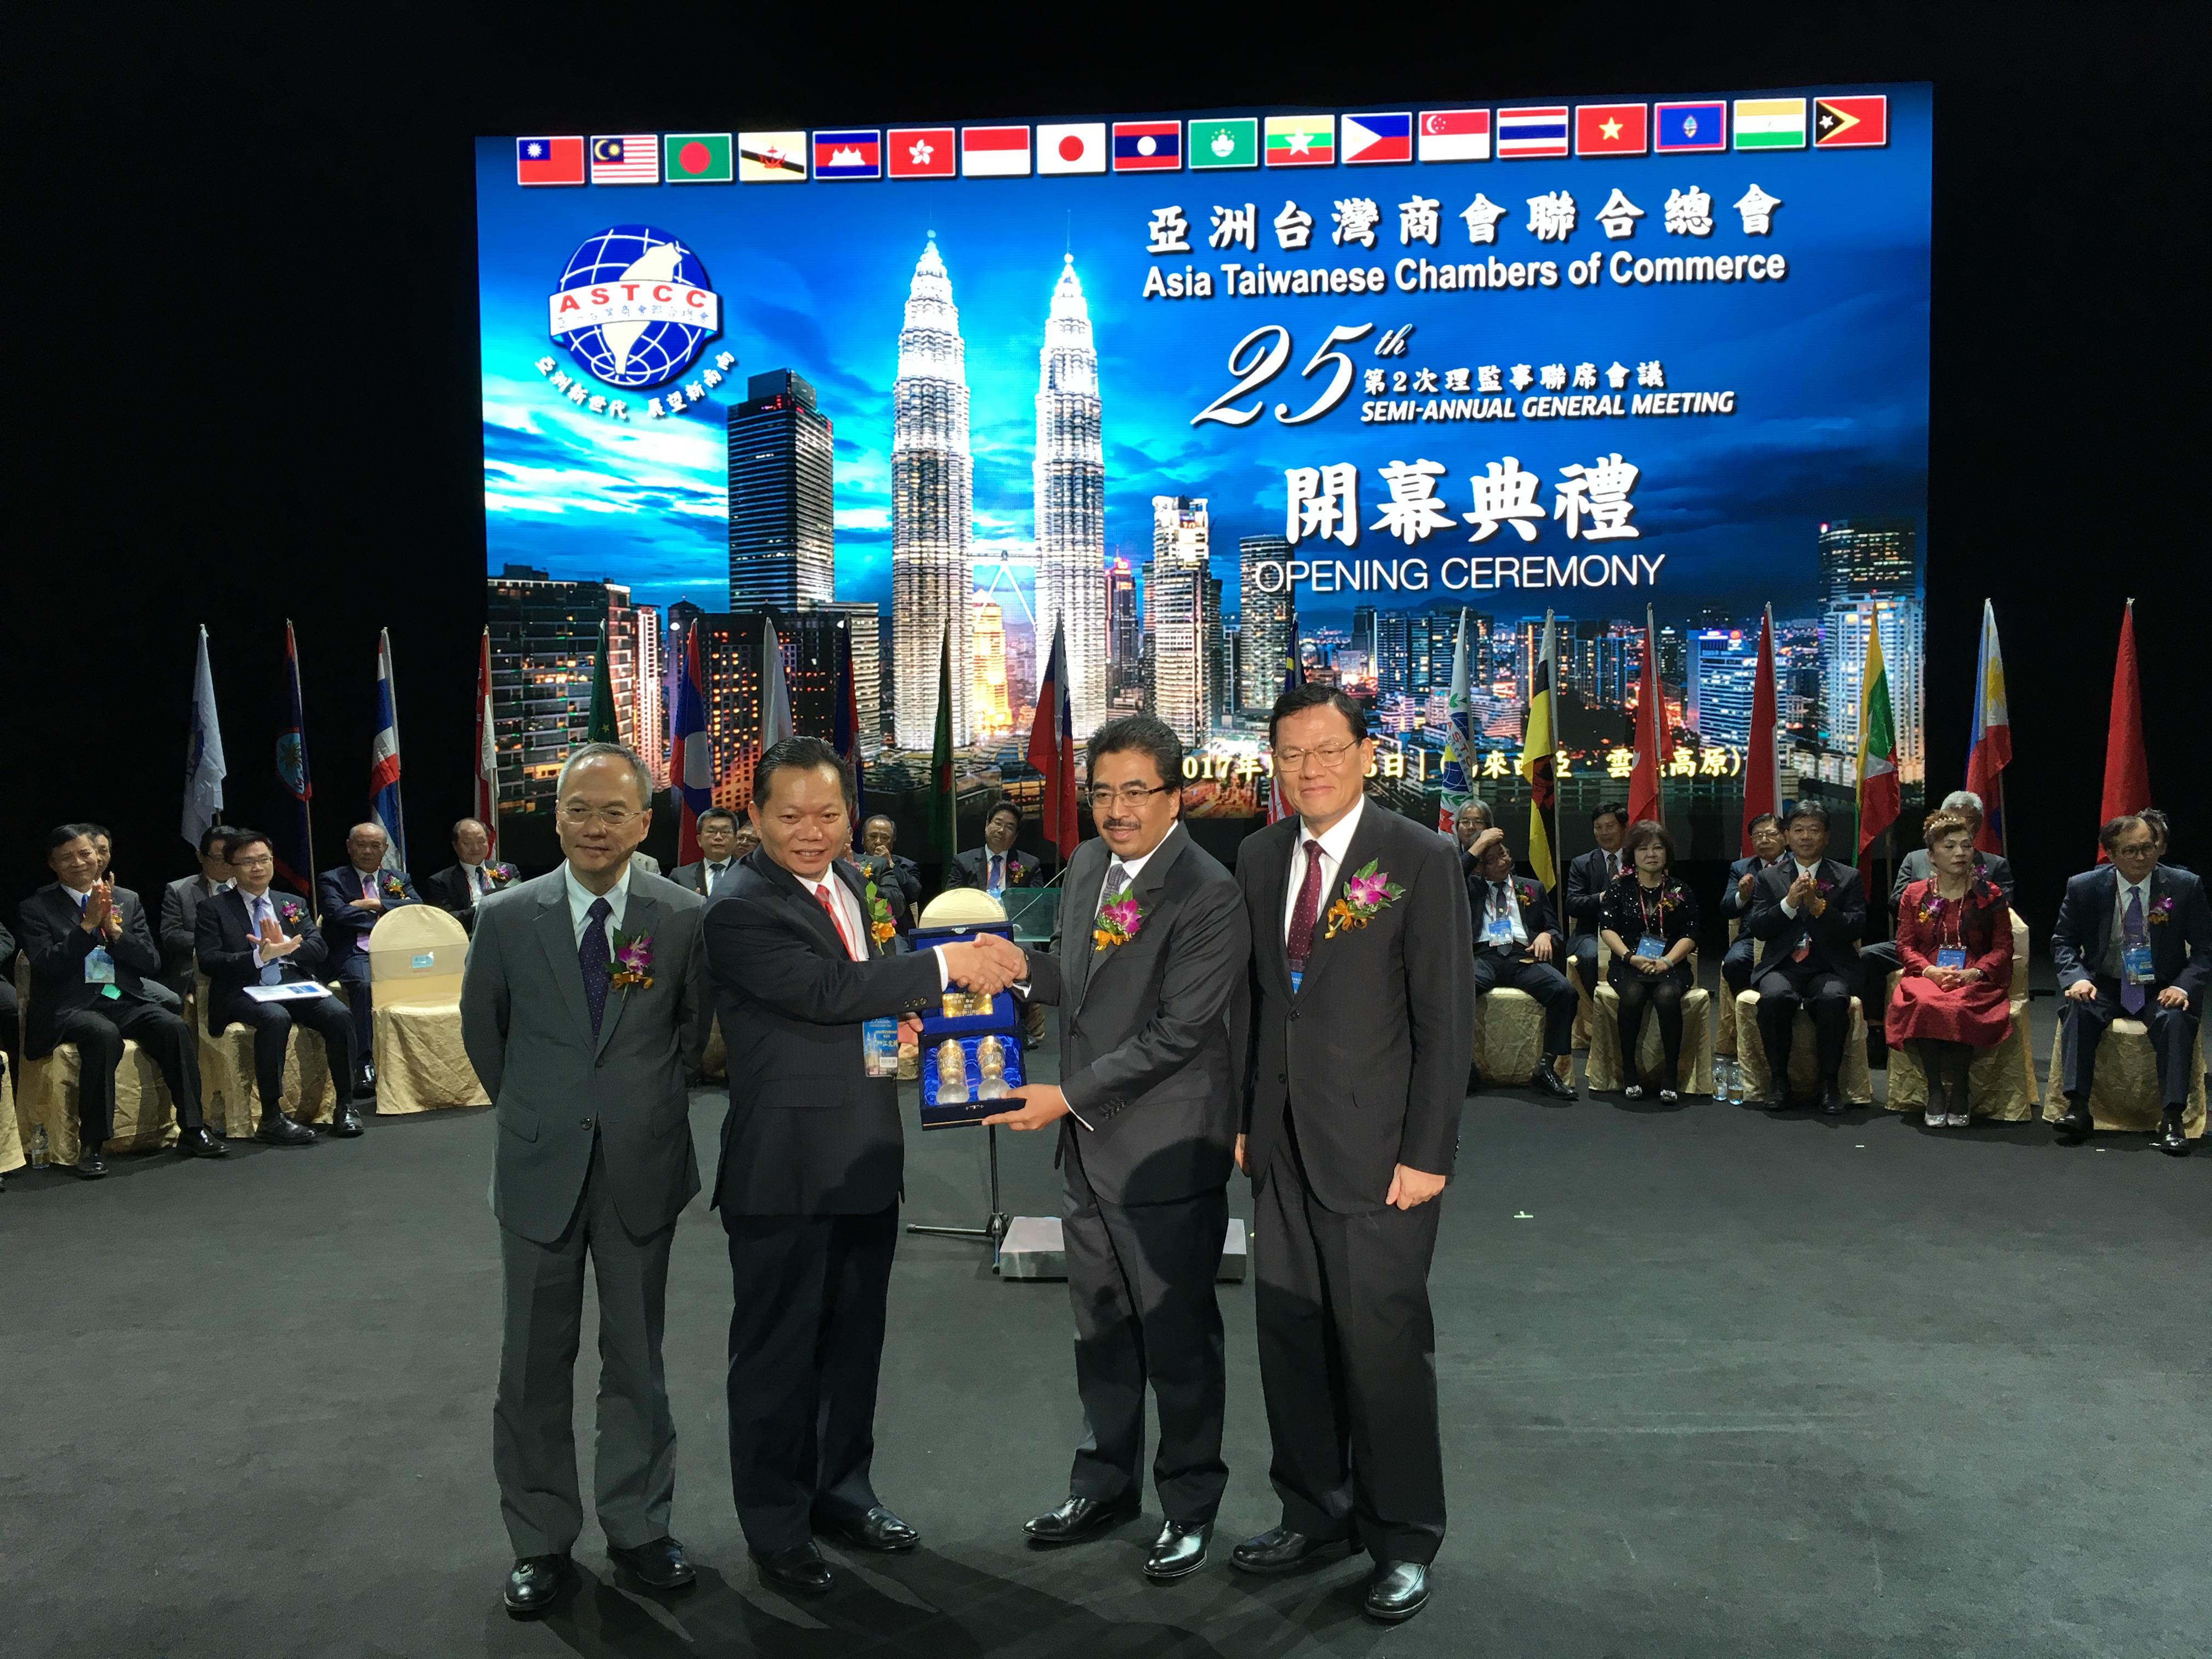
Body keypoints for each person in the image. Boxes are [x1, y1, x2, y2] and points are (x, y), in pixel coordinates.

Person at [705, 735, 1024, 1596]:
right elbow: (825, 994)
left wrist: (911, 1030)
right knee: (777, 1359)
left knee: (852, 1347)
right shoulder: (740, 907)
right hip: (785, 1170)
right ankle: (776, 1526)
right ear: (757, 819)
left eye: (828, 813)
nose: (812, 831)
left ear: (851, 816)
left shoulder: (851, 882)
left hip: (863, 1158)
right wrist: (946, 966)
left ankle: (843, 1494)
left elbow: (863, 999)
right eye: (790, 815)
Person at [978, 715, 1246, 1583]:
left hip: (1165, 1151)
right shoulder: (1090, 865)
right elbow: (1081, 985)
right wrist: (1017, 966)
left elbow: (1177, 1034)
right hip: (1087, 1154)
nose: (1118, 809)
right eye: (1103, 792)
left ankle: (1191, 1504)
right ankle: (1104, 1488)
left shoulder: (1210, 892)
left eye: (1138, 791)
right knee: (1100, 1332)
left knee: (1178, 1342)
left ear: (1179, 796)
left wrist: (1064, 1095)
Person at [1231, 685, 1471, 1626]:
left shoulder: (1419, 855)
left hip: (1382, 1156)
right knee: (1290, 1337)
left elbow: (1444, 1021)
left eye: (1328, 749)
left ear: (1367, 753)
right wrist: (1249, 1116)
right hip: (1280, 1146)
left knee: (1382, 1350)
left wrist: (1426, 1150)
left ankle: (1403, 1535)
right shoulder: (1256, 854)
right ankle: (1312, 1510)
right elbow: (1256, 1004)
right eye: (1291, 754)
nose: (1310, 769)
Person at [458, 741, 713, 1617]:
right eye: (578, 810)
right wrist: (541, 1112)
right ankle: (539, 1541)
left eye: (614, 812)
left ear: (646, 822)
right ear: (555, 817)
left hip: (642, 1164)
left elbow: (691, 1033)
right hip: (539, 1165)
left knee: (638, 1359)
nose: (594, 827)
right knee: (530, 1364)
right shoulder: (506, 916)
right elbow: (485, 1038)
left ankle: (640, 1528)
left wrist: (630, 1106)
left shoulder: (680, 916)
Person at [19, 824, 227, 1173]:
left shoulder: (126, 900)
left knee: (172, 1026)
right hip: (68, 1004)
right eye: (66, 858)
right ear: (53, 865)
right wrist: (86, 928)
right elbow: (46, 968)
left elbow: (151, 962)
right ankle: (92, 1143)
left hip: (120, 994)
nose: (79, 863)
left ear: (98, 856)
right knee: (102, 1034)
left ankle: (193, 1128)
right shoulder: (36, 907)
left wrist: (114, 931)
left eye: (85, 853)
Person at [2049, 815, 2210, 1156]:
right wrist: (2077, 977)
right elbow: (2062, 942)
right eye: (2130, 850)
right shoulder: (2084, 887)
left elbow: (2205, 950)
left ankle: (2171, 1119)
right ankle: (2078, 1109)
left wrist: (2183, 987)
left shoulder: (2184, 885)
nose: (2141, 857)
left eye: (2148, 848)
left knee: (2176, 1020)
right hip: (2105, 983)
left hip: (2161, 985)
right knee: (2079, 1009)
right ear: (2110, 854)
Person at [197, 829, 362, 1144]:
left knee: (338, 1014)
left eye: (263, 860)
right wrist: (259, 956)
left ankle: (346, 1105)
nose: (257, 868)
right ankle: (272, 1116)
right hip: (243, 988)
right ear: (231, 868)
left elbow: (318, 949)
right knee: (275, 1017)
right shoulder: (214, 908)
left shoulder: (291, 902)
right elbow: (210, 961)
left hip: (292, 984)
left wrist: (286, 946)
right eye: (247, 862)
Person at [1860, 791, 2017, 1056]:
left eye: (1970, 822)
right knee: (1867, 957)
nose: (1962, 827)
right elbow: (1896, 901)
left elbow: (2002, 914)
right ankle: (1876, 1029)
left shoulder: (1993, 866)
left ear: (1978, 826)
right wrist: (1930, 894)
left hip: (1970, 946)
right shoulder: (1916, 858)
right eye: (1956, 818)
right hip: (1923, 941)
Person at [1886, 810, 2015, 1130]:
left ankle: (1960, 1089)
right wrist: (1928, 971)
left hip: (1973, 971)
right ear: (1931, 856)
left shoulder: (1990, 894)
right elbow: (1904, 946)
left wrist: (1978, 972)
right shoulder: (1914, 894)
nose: (1960, 853)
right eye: (1950, 847)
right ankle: (1934, 1090)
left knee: (1959, 1003)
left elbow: (2002, 947)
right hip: (1928, 970)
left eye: (1967, 846)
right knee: (1928, 1001)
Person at [1744, 803, 1867, 1113]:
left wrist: (1820, 909)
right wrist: (1788, 904)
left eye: (1814, 830)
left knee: (1833, 999)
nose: (1806, 837)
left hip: (1828, 965)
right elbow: (1758, 928)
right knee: (1774, 998)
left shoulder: (1847, 876)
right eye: (1798, 830)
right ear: (1786, 837)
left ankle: (1829, 1084)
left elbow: (1856, 926)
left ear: (1826, 837)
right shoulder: (1769, 878)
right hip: (1783, 965)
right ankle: (1779, 1081)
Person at [1465, 835, 1577, 1099]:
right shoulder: (1469, 887)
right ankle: (1465, 1068)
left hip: (1522, 956)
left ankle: (1545, 1068)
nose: (1504, 862)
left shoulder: (1532, 887)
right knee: (1453, 991)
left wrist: (1546, 935)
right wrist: (1478, 847)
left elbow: (1556, 931)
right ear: (1480, 867)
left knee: (1565, 992)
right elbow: (1454, 872)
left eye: (1504, 854)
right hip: (1484, 956)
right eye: (1493, 860)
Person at [1599, 822, 1701, 1103]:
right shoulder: (1620, 888)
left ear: (1667, 853)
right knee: (1632, 996)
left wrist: (1668, 961)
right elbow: (1607, 928)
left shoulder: (1681, 889)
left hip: (1671, 965)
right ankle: (1630, 1072)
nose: (1651, 854)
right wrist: (1630, 957)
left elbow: (1691, 933)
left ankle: (1670, 1074)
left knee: (1667, 997)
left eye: (1658, 848)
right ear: (1633, 855)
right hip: (1628, 963)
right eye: (1643, 849)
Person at [318, 823, 421, 1092]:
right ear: (350, 846)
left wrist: (376, 904)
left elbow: (417, 907)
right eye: (361, 844)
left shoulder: (397, 878)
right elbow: (337, 914)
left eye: (375, 846)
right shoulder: (332, 879)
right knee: (364, 984)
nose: (367, 851)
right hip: (352, 951)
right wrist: (387, 917)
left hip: (394, 950)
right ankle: (364, 1061)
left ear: (385, 849)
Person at [1563, 802, 1630, 1004]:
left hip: (1631, 932)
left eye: (1610, 827)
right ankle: (1598, 1009)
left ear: (1623, 828)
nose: (1604, 833)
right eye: (1598, 827)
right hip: (1591, 933)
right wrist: (1603, 896)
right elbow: (1573, 904)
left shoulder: (1637, 859)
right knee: (1591, 957)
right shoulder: (1581, 863)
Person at [160, 825, 235, 998]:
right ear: (200, 856)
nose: (226, 865)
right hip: (197, 967)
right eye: (218, 858)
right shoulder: (179, 890)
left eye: (230, 858)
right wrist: (217, 943)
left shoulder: (249, 887)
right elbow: (171, 935)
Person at [420, 818, 517, 935]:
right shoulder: (440, 881)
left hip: (509, 933)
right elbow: (446, 921)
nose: (476, 848)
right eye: (468, 843)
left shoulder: (509, 870)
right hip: (471, 938)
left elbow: (522, 903)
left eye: (481, 841)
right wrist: (485, 909)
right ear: (455, 846)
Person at [946, 799, 1040, 898]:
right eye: (998, 824)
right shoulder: (963, 862)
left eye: (1009, 827)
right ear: (987, 825)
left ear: (1016, 836)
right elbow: (951, 901)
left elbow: (1036, 907)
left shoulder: (1030, 865)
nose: (1001, 831)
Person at [670, 807, 744, 896]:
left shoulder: (748, 875)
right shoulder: (681, 876)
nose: (718, 837)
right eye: (711, 831)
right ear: (699, 840)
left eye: (725, 832)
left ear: (736, 840)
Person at [861, 814, 922, 919]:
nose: (878, 842)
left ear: (893, 841)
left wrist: (890, 864)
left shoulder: (906, 865)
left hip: (897, 927)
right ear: (863, 839)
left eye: (885, 838)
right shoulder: (853, 862)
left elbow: (914, 893)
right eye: (873, 836)